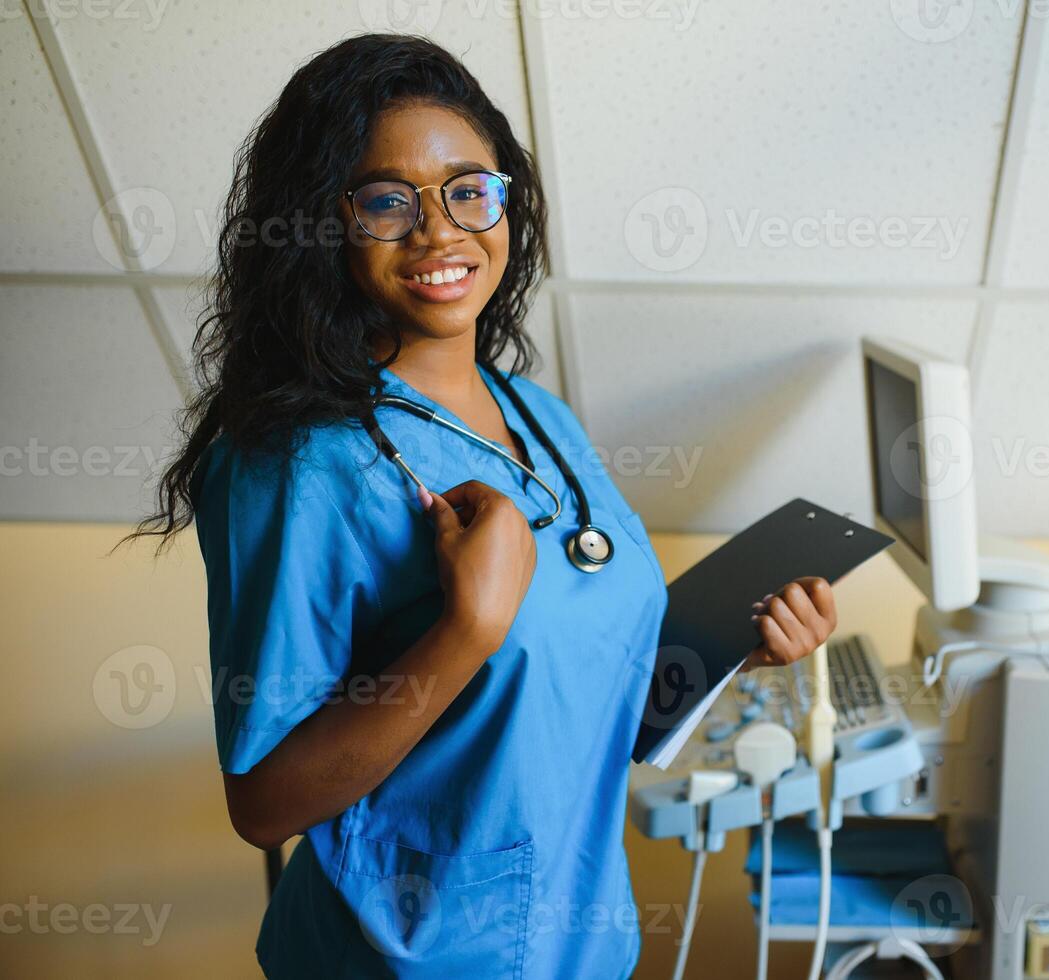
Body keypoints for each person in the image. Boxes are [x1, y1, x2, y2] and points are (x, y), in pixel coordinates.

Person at [133, 33, 836, 978]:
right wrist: (465, 629)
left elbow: (583, 691)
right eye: (387, 201)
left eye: (470, 188)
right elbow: (263, 803)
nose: (439, 232)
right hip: (408, 956)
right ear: (321, 226)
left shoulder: (534, 413)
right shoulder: (297, 465)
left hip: (581, 942)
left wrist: (732, 648)